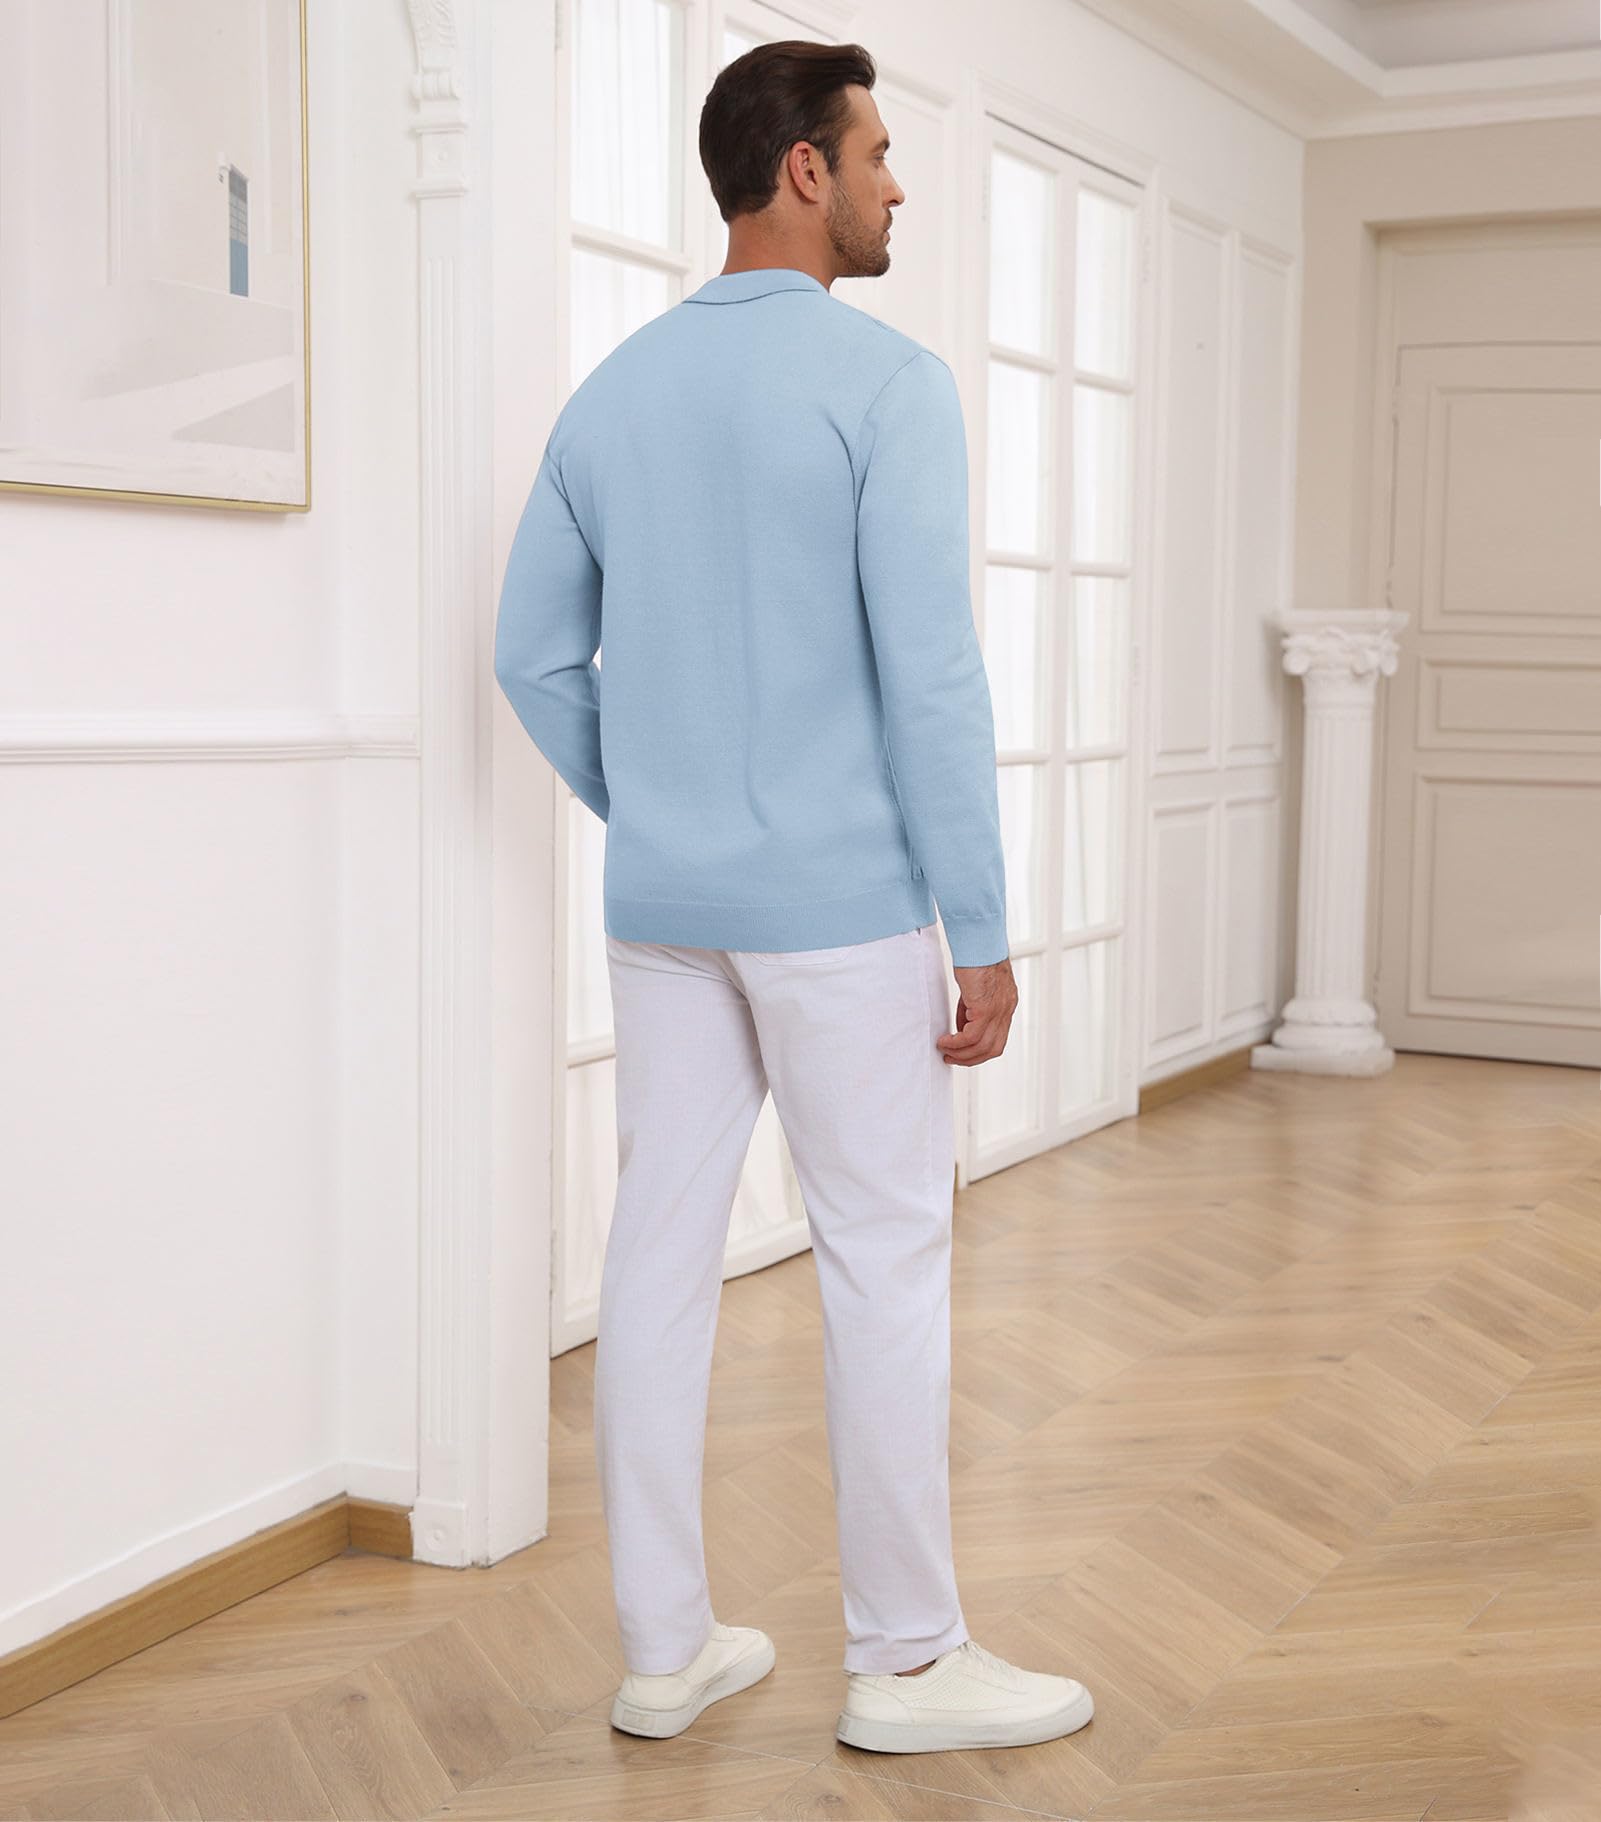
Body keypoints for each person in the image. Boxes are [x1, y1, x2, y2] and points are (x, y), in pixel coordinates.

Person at [493, 38, 1093, 1757]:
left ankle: (662, 1647)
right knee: (882, 1259)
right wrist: (981, 924)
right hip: (840, 912)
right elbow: (932, 679)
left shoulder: (609, 395)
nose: (900, 184)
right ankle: (906, 1662)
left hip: (664, 905)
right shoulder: (885, 385)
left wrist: (665, 805)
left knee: (656, 1256)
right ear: (804, 170)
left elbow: (530, 658)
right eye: (879, 153)